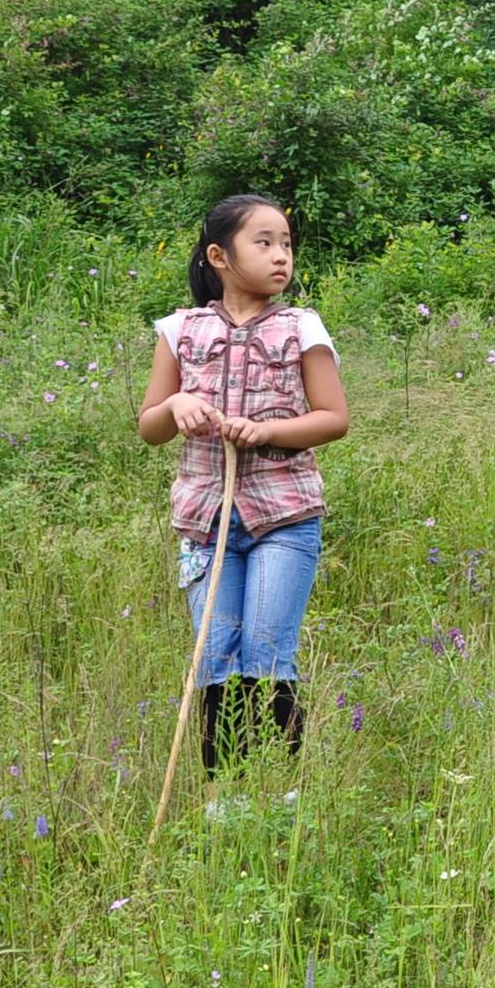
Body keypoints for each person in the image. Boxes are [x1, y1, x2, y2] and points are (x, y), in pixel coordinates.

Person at [137, 193, 350, 783]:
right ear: (219, 256)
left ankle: (280, 794)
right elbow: (150, 425)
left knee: (267, 652)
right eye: (264, 242)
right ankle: (223, 800)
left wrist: (266, 432)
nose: (281, 256)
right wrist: (177, 402)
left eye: (286, 244)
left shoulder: (300, 325)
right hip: (206, 523)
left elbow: (333, 417)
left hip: (284, 517)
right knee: (215, 658)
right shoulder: (179, 329)